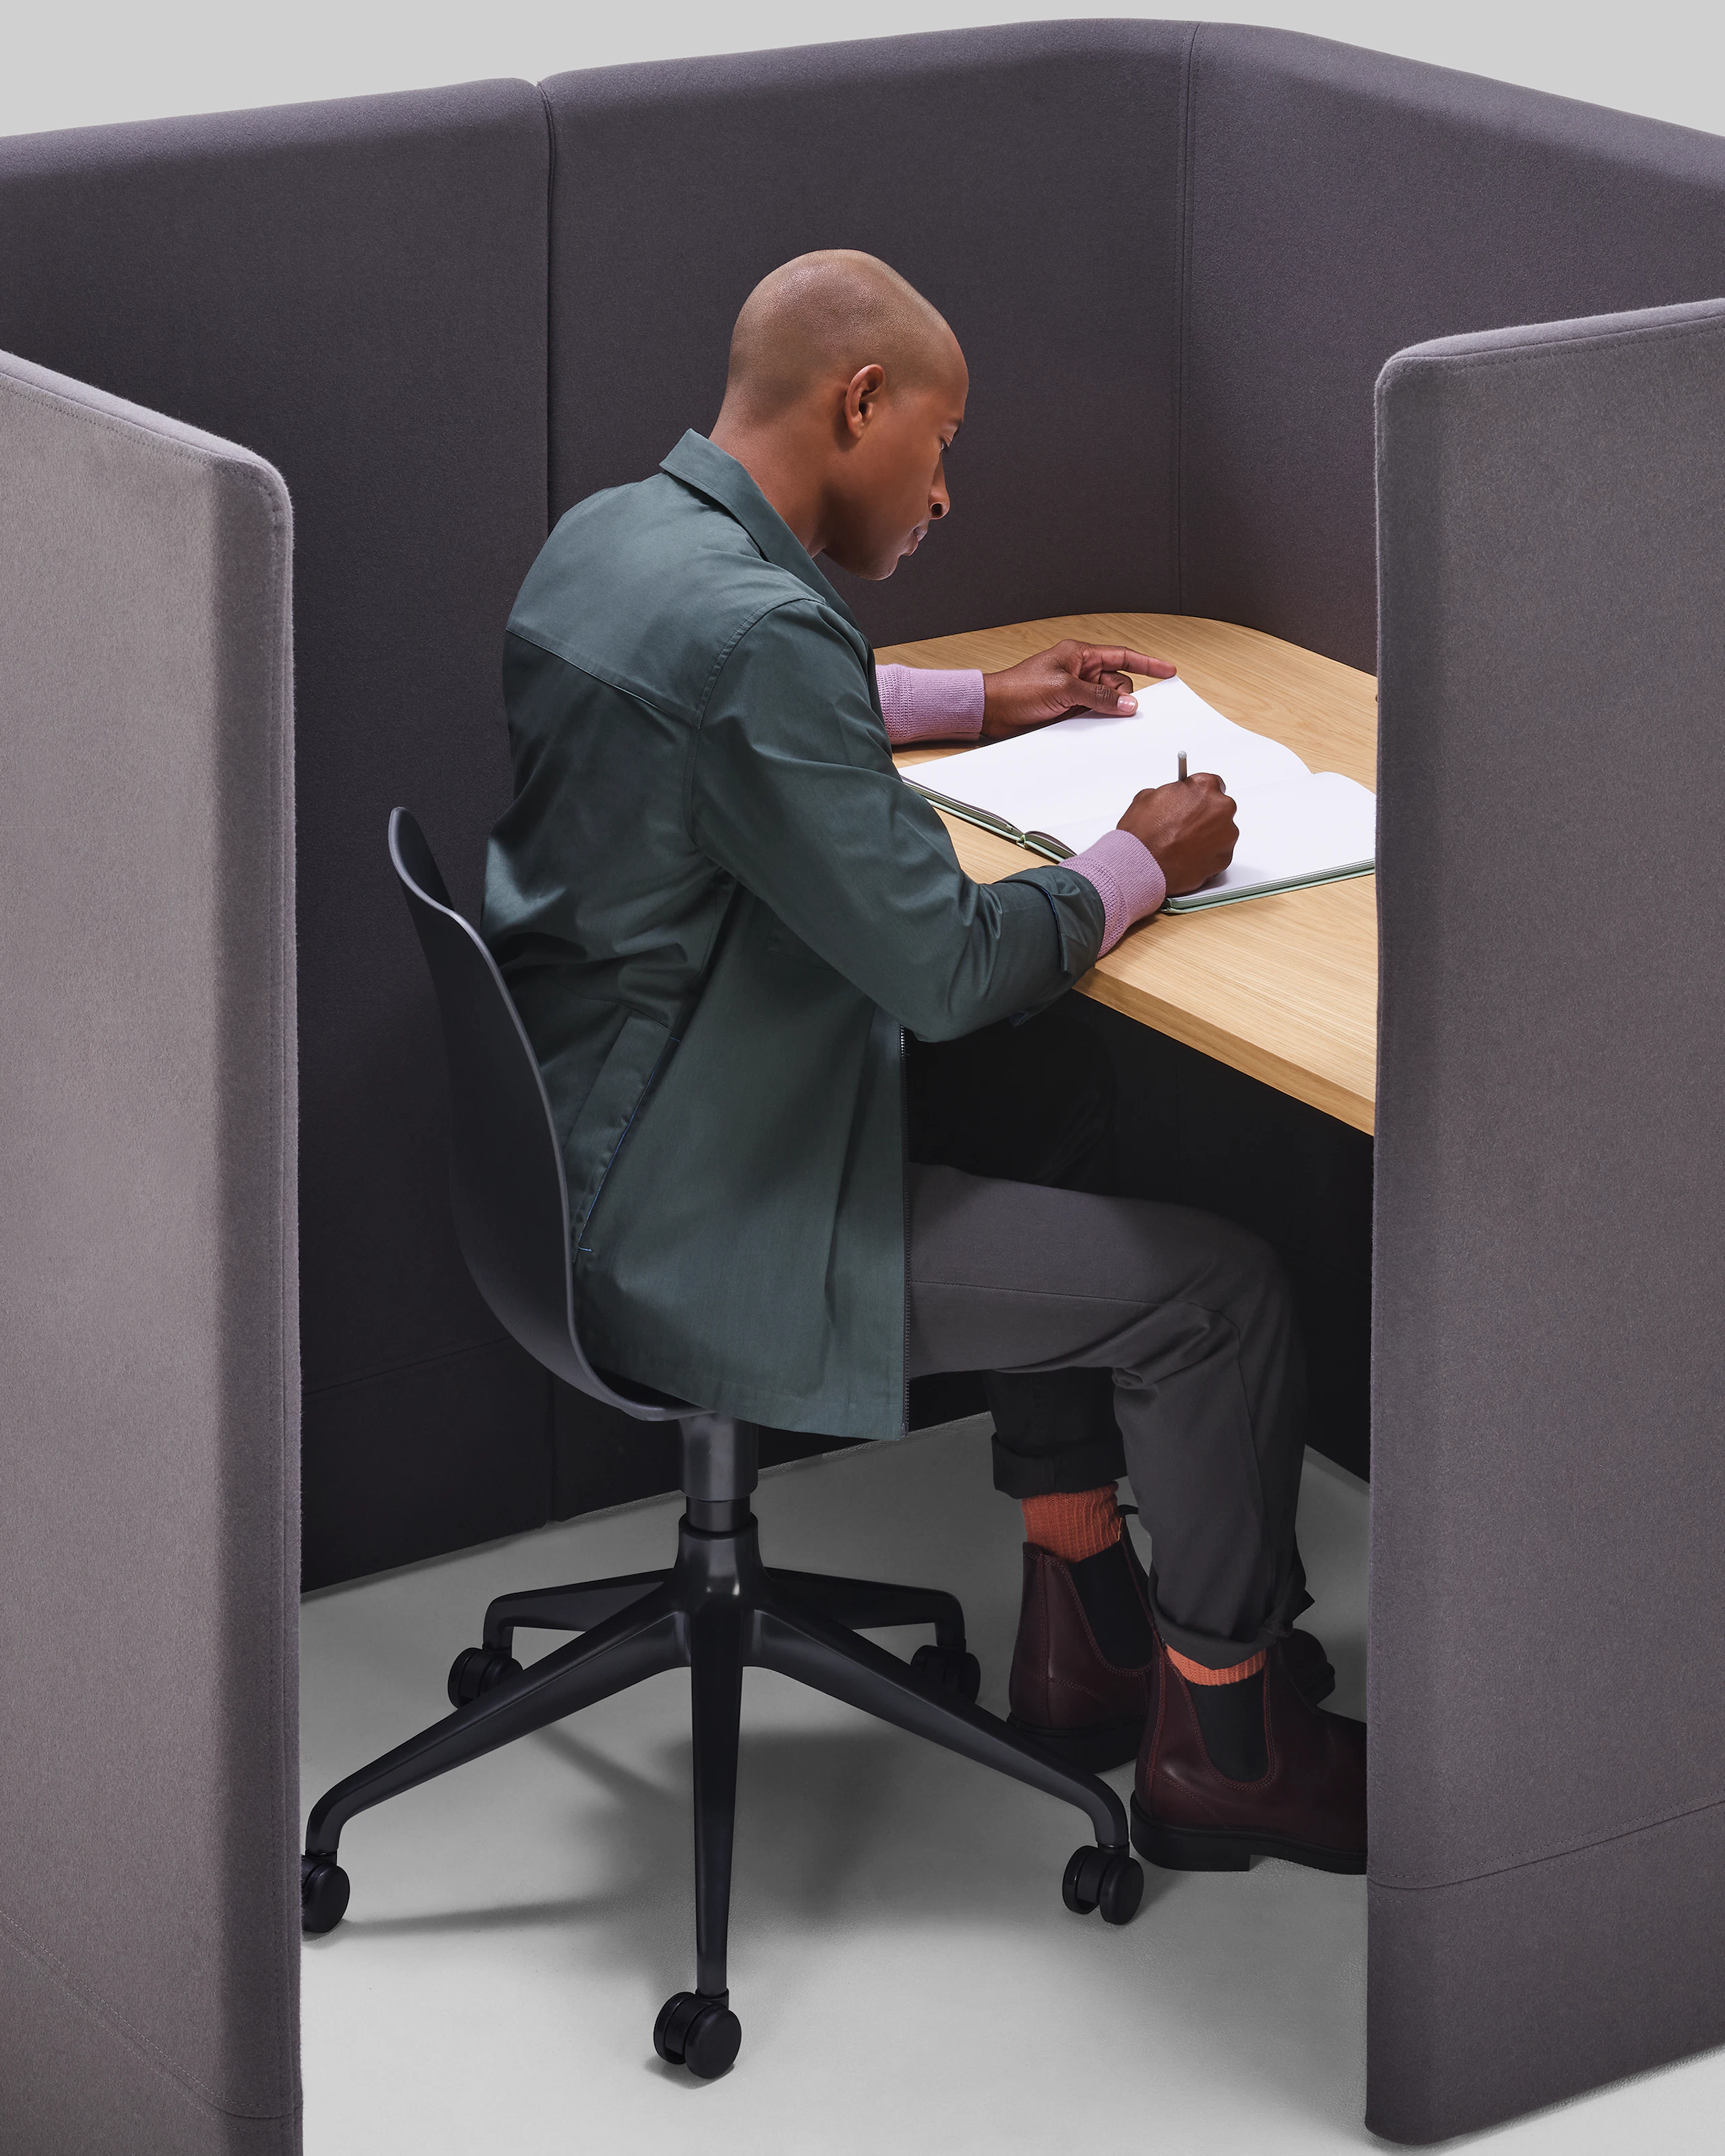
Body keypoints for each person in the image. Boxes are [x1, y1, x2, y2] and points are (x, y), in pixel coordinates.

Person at [484, 250, 1365, 1872]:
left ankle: (1081, 1616)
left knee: (1055, 1086)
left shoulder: (610, 539)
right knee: (1218, 1294)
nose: (945, 490)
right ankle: (1226, 1743)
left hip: (590, 1148)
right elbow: (948, 968)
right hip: (702, 1227)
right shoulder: (756, 639)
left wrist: (974, 698)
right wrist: (1137, 859)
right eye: (937, 445)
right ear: (859, 402)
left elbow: (735, 702)